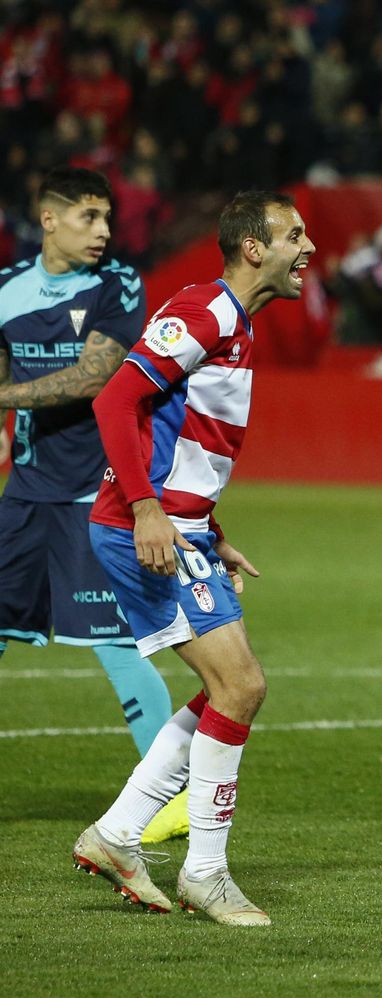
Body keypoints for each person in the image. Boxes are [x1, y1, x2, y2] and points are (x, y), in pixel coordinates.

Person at [71, 190, 315, 926]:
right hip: (146, 528)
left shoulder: (235, 322)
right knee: (240, 686)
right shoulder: (207, 311)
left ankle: (117, 833)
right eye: (294, 236)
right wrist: (148, 509)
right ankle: (205, 872)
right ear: (253, 248)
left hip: (183, 527)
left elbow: (180, 437)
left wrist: (211, 525)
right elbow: (115, 401)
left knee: (227, 690)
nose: (307, 249)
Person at [0, 167, 190, 845]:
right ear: (48, 219)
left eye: (107, 217)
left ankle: (173, 797)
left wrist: (3, 399)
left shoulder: (119, 284)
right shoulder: (7, 287)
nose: (104, 230)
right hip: (25, 493)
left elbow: (95, 376)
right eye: (89, 216)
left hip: (93, 492)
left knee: (115, 646)